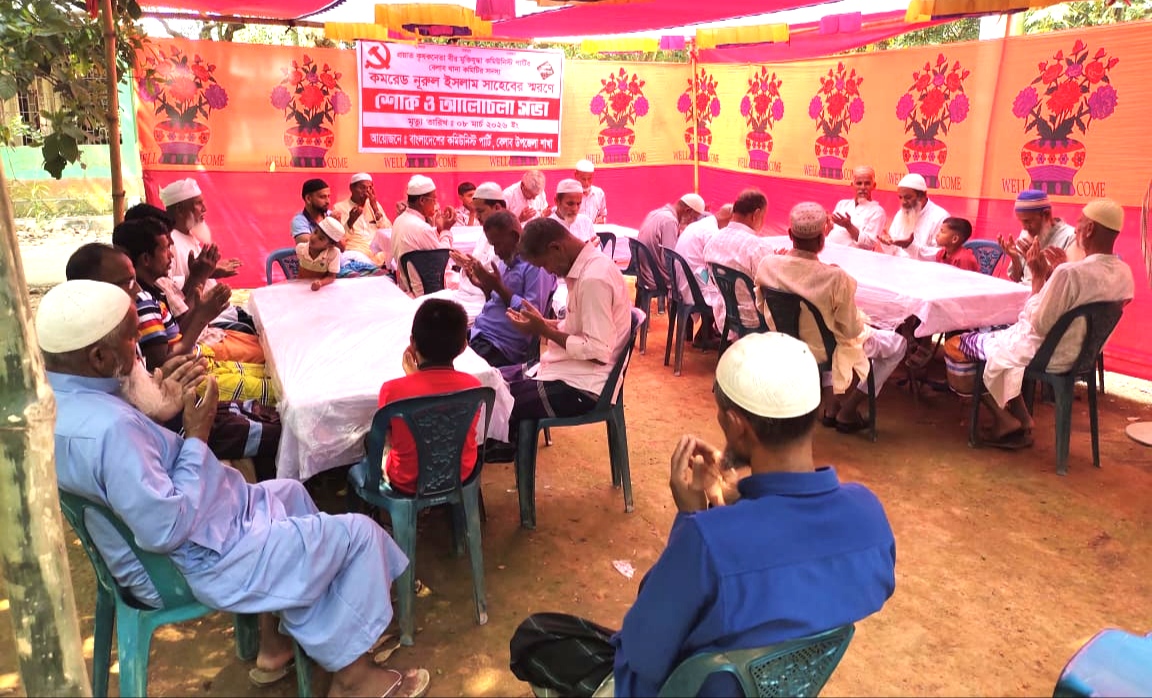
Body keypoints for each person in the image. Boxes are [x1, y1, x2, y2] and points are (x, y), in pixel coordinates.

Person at [38, 280, 430, 698]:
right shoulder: (110, 431)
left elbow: (135, 474)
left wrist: (162, 412)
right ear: (99, 357)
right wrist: (196, 435)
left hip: (190, 527)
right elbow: (165, 528)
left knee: (290, 495)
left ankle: (274, 647)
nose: (140, 353)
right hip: (190, 560)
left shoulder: (58, 403)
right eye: (131, 341)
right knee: (359, 535)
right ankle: (355, 679)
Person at [508, 332, 896, 698]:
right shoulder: (868, 516)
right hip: (778, 683)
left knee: (536, 635)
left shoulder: (708, 541)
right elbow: (786, 574)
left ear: (737, 425)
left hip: (679, 688)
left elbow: (642, 651)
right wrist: (734, 504)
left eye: (721, 414)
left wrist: (692, 518)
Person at [65, 243, 283, 482]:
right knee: (277, 431)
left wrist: (159, 382)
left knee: (266, 412)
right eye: (128, 282)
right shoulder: (110, 425)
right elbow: (167, 498)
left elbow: (150, 376)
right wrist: (195, 436)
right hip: (179, 430)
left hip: (173, 410)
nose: (138, 289)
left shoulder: (117, 330)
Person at [945, 199, 1134, 449]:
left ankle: (1003, 420)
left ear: (1089, 229)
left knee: (957, 344)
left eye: (1080, 224)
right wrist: (1054, 274)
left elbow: (1039, 323)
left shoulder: (1070, 273)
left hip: (1047, 355)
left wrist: (1038, 277)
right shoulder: (1124, 273)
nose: (1076, 228)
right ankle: (1023, 418)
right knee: (994, 336)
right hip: (1081, 356)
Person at [485, 218, 631, 461]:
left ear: (556, 248)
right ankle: (502, 443)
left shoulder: (594, 279)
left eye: (544, 264)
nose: (548, 271)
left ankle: (498, 448)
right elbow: (577, 329)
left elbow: (598, 350)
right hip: (568, 370)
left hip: (583, 387)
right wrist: (541, 323)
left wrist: (544, 329)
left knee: (495, 397)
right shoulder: (585, 270)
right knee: (492, 379)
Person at [756, 203, 908, 433]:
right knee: (898, 344)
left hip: (785, 343)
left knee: (823, 329)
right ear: (822, 240)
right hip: (824, 350)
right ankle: (849, 410)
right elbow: (850, 331)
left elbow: (761, 305)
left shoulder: (768, 264)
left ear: (790, 235)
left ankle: (831, 405)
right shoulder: (835, 277)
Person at [111, 218, 277, 406]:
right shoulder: (143, 301)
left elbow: (177, 334)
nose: (171, 255)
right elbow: (163, 365)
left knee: (274, 371)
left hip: (198, 359)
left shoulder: (154, 290)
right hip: (189, 379)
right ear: (146, 260)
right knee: (275, 389)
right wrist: (201, 315)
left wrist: (201, 308)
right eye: (165, 249)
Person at [123, 204, 265, 366]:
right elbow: (165, 358)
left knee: (264, 343)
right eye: (166, 242)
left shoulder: (154, 285)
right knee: (267, 354)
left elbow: (179, 323)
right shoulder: (144, 298)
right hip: (199, 346)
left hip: (204, 336)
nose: (171, 250)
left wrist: (201, 278)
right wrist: (200, 281)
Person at [377, 299, 482, 494]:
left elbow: (388, 432)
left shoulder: (392, 390)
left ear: (412, 343)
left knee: (375, 439)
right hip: (461, 474)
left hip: (407, 481)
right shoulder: (474, 387)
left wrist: (413, 378)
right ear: (463, 346)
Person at [455, 211, 558, 367]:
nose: (496, 251)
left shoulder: (537, 266)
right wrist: (486, 286)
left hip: (500, 345)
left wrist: (498, 287)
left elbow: (532, 316)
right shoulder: (506, 260)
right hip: (480, 333)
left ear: (515, 237)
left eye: (498, 244)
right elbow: (496, 303)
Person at [702, 189, 776, 334]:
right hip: (755, 319)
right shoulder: (759, 247)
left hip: (725, 315)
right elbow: (772, 287)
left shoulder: (712, 241)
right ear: (756, 214)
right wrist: (779, 262)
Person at [675, 204, 732, 349]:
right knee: (728, 290)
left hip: (683, 281)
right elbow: (718, 264)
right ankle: (710, 334)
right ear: (730, 220)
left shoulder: (700, 225)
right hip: (693, 284)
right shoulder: (711, 232)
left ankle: (708, 333)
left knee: (715, 282)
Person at [391, 175, 456, 296]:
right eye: (434, 200)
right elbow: (442, 259)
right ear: (422, 201)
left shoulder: (399, 220)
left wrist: (439, 229)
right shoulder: (422, 228)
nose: (436, 204)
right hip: (427, 292)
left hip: (408, 289)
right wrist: (446, 230)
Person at [997, 190, 1078, 284]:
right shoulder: (1026, 233)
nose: (1024, 227)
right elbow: (1016, 278)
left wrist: (1041, 267)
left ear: (1046, 215)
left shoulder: (1070, 237)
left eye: (1027, 221)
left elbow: (1070, 285)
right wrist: (1015, 258)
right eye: (1021, 221)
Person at [636, 193, 705, 291]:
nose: (691, 222)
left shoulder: (656, 213)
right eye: (694, 218)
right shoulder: (669, 221)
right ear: (688, 211)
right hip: (655, 278)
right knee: (696, 280)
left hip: (644, 273)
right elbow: (670, 259)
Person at [877, 173, 949, 261]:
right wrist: (887, 243)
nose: (903, 202)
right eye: (900, 197)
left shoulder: (940, 217)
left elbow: (941, 254)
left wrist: (910, 246)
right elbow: (892, 251)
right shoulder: (901, 214)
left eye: (908, 197)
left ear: (922, 195)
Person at [331, 172, 392, 268]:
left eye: (370, 188)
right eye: (363, 188)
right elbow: (338, 239)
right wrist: (350, 222)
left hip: (379, 256)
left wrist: (375, 209)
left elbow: (388, 231)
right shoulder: (339, 208)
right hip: (356, 254)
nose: (367, 192)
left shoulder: (374, 205)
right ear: (351, 188)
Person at [827, 165, 886, 250]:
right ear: (852, 185)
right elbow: (831, 232)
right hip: (830, 249)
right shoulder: (842, 204)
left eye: (867, 183)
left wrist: (849, 226)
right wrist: (827, 224)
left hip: (854, 256)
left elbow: (869, 243)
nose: (863, 187)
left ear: (874, 186)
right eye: (859, 183)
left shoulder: (877, 211)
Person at [297, 217, 345, 291]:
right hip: (300, 288)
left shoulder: (334, 254)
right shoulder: (300, 248)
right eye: (315, 232)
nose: (314, 238)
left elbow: (331, 277)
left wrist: (320, 283)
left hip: (321, 290)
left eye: (321, 238)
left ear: (330, 245)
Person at [549, 178, 597, 244]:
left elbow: (596, 249)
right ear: (557, 201)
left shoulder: (586, 222)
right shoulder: (547, 226)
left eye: (578, 204)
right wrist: (585, 248)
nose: (574, 209)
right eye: (570, 204)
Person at [574, 159, 607, 224]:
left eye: (589, 179)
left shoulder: (599, 193)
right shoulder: (568, 194)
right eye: (583, 179)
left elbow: (603, 215)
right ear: (576, 175)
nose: (586, 183)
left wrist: (602, 220)